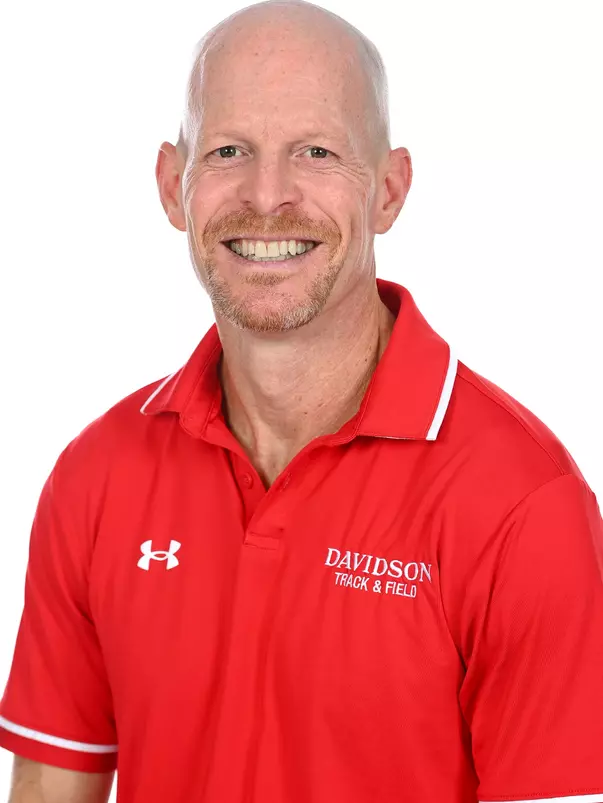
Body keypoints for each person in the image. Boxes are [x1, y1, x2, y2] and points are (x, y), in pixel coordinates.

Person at [1, 0, 602, 801]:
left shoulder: (521, 504)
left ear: (388, 191)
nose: (268, 194)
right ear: (172, 187)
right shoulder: (96, 476)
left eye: (316, 151)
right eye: (227, 150)